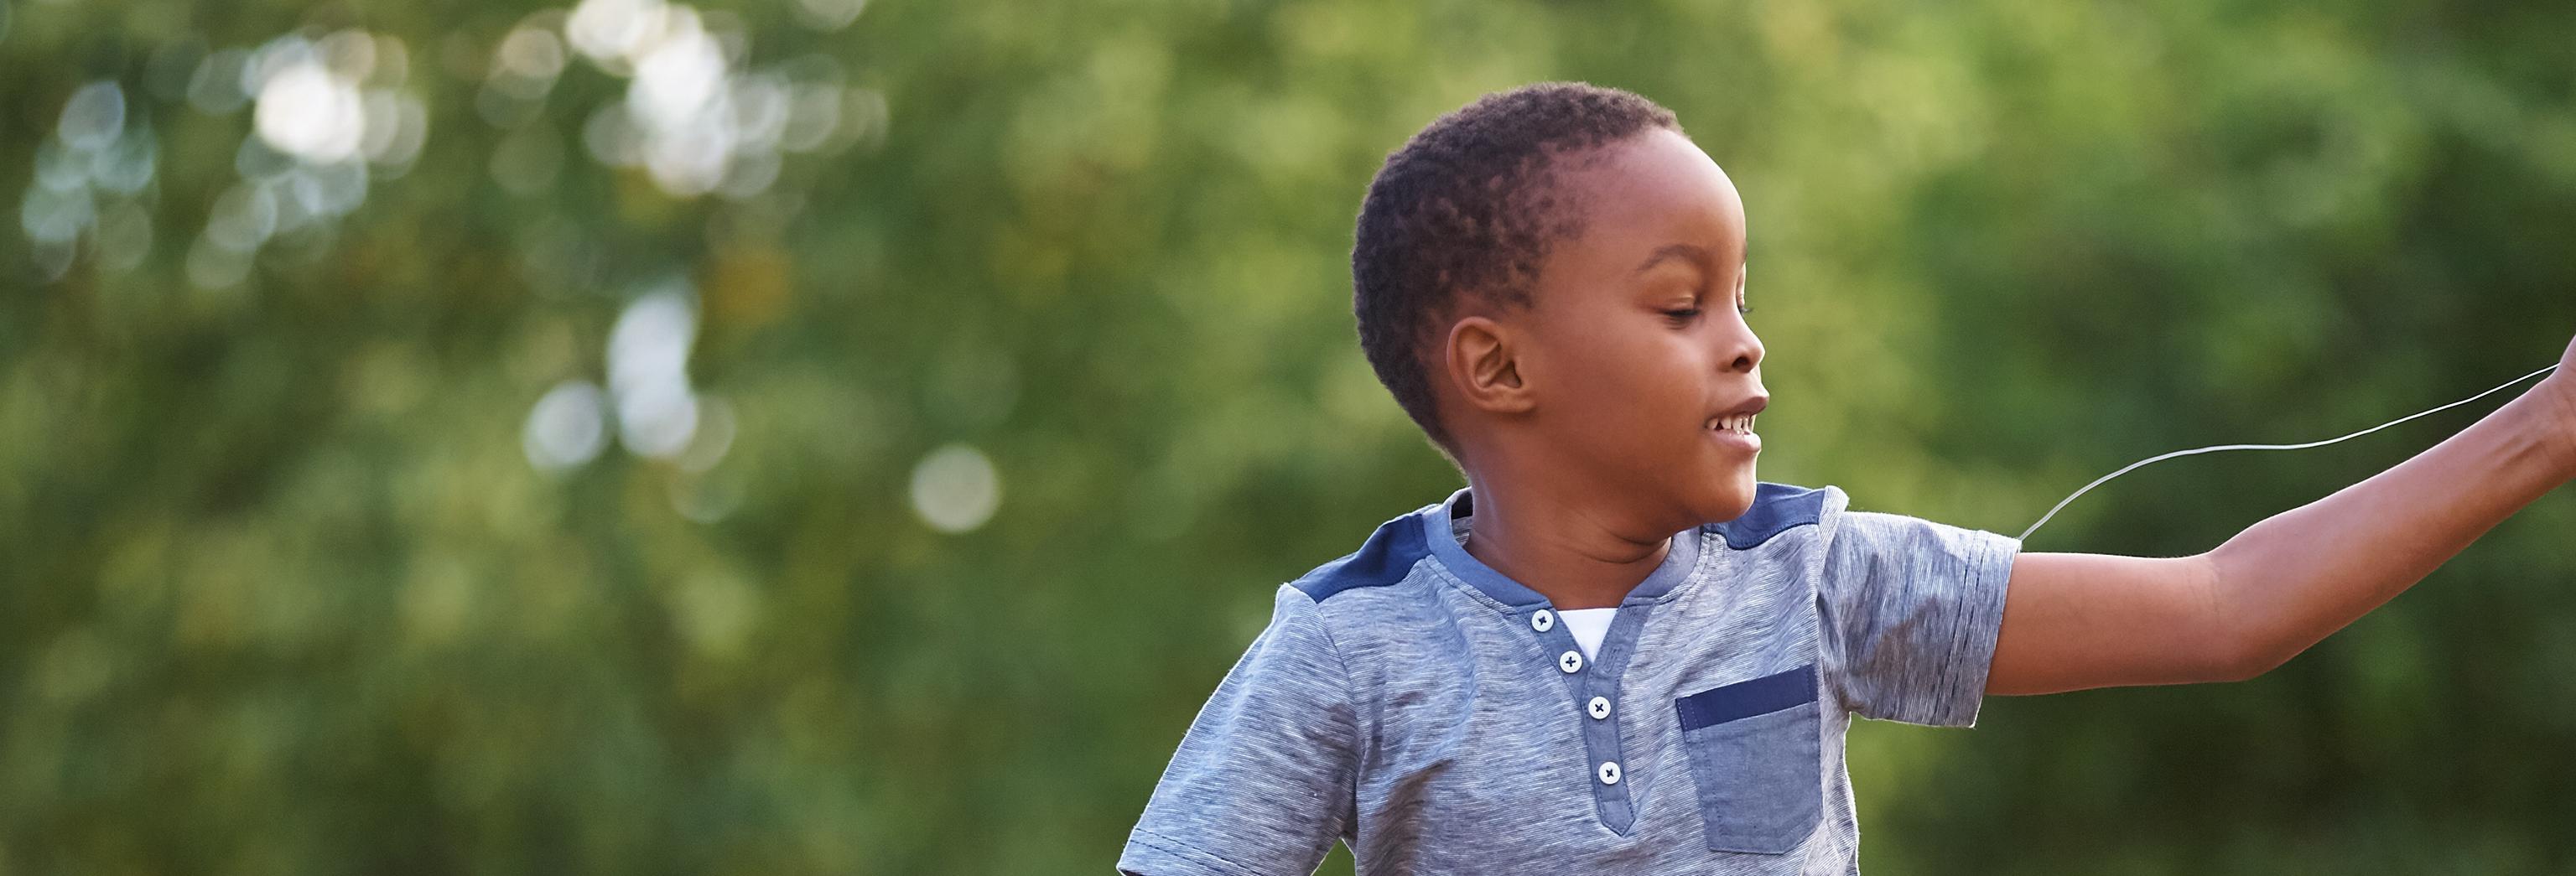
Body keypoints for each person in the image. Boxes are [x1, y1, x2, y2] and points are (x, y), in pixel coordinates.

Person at [1114, 81, 2576, 875]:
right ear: (1500, 370)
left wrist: (2546, 429)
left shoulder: (1818, 578)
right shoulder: (1346, 648)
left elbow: (2226, 605)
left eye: (1744, 296)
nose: (1749, 346)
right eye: (1684, 306)